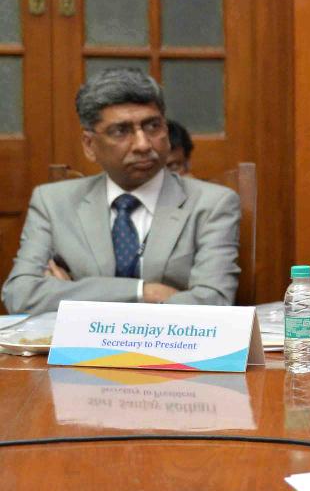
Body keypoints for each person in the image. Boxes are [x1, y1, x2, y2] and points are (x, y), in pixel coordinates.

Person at [3, 70, 241, 314]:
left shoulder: (212, 204)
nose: (143, 145)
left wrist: (74, 293)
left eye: (153, 126)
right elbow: (20, 295)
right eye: (121, 131)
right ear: (90, 145)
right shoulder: (53, 202)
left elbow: (213, 303)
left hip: (171, 339)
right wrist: (145, 292)